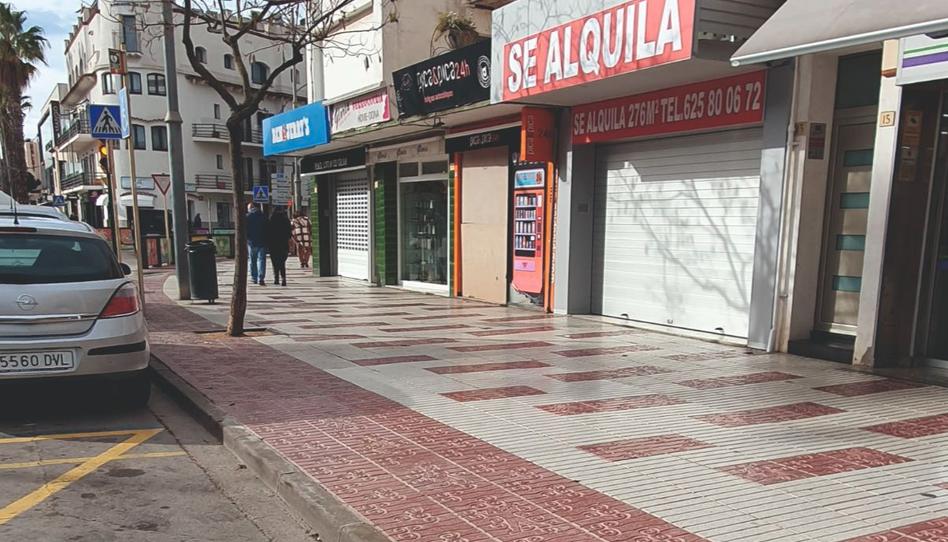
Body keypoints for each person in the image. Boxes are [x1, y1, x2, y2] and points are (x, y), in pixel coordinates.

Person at [266, 207, 292, 286]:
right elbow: (289, 233)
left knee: (275, 262)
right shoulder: (286, 220)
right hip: (283, 243)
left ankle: (276, 278)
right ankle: (283, 278)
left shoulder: (271, 220)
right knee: (282, 262)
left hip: (273, 244)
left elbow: (267, 232)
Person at [246, 203, 268, 286]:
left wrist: (247, 238)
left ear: (251, 208)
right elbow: (267, 229)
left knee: (252, 260)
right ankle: (261, 278)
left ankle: (254, 278)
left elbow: (245, 230)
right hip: (262, 241)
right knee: (261, 260)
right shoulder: (263, 216)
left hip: (252, 242)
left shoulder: (247, 217)